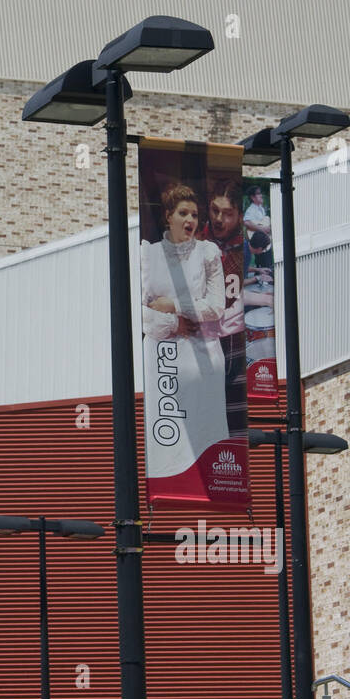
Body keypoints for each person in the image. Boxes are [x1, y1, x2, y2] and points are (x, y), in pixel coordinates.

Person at [141, 183, 229, 482]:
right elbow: (139, 312)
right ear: (169, 216)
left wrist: (171, 304)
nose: (190, 220)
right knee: (166, 433)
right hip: (163, 357)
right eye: (183, 213)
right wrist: (173, 323)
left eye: (194, 214)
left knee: (207, 438)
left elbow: (216, 307)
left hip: (204, 358)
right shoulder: (148, 255)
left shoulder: (207, 253)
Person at [200, 178, 247, 435]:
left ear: (239, 215)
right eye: (215, 210)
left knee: (234, 419)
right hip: (201, 340)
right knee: (201, 415)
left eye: (227, 213)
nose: (219, 218)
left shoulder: (245, 248)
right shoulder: (195, 239)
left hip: (235, 339)